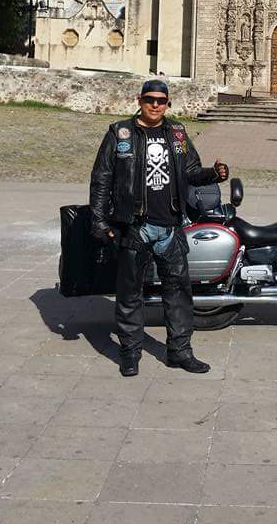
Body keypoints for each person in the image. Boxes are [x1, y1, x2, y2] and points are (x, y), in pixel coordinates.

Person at [89, 79, 229, 377]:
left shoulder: (177, 132)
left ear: (168, 104)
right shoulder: (120, 133)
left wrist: (213, 175)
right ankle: (130, 353)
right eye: (150, 99)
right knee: (130, 294)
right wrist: (99, 221)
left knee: (178, 294)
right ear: (139, 100)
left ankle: (180, 351)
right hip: (134, 227)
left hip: (170, 227)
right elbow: (102, 179)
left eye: (161, 101)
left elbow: (190, 170)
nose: (155, 105)